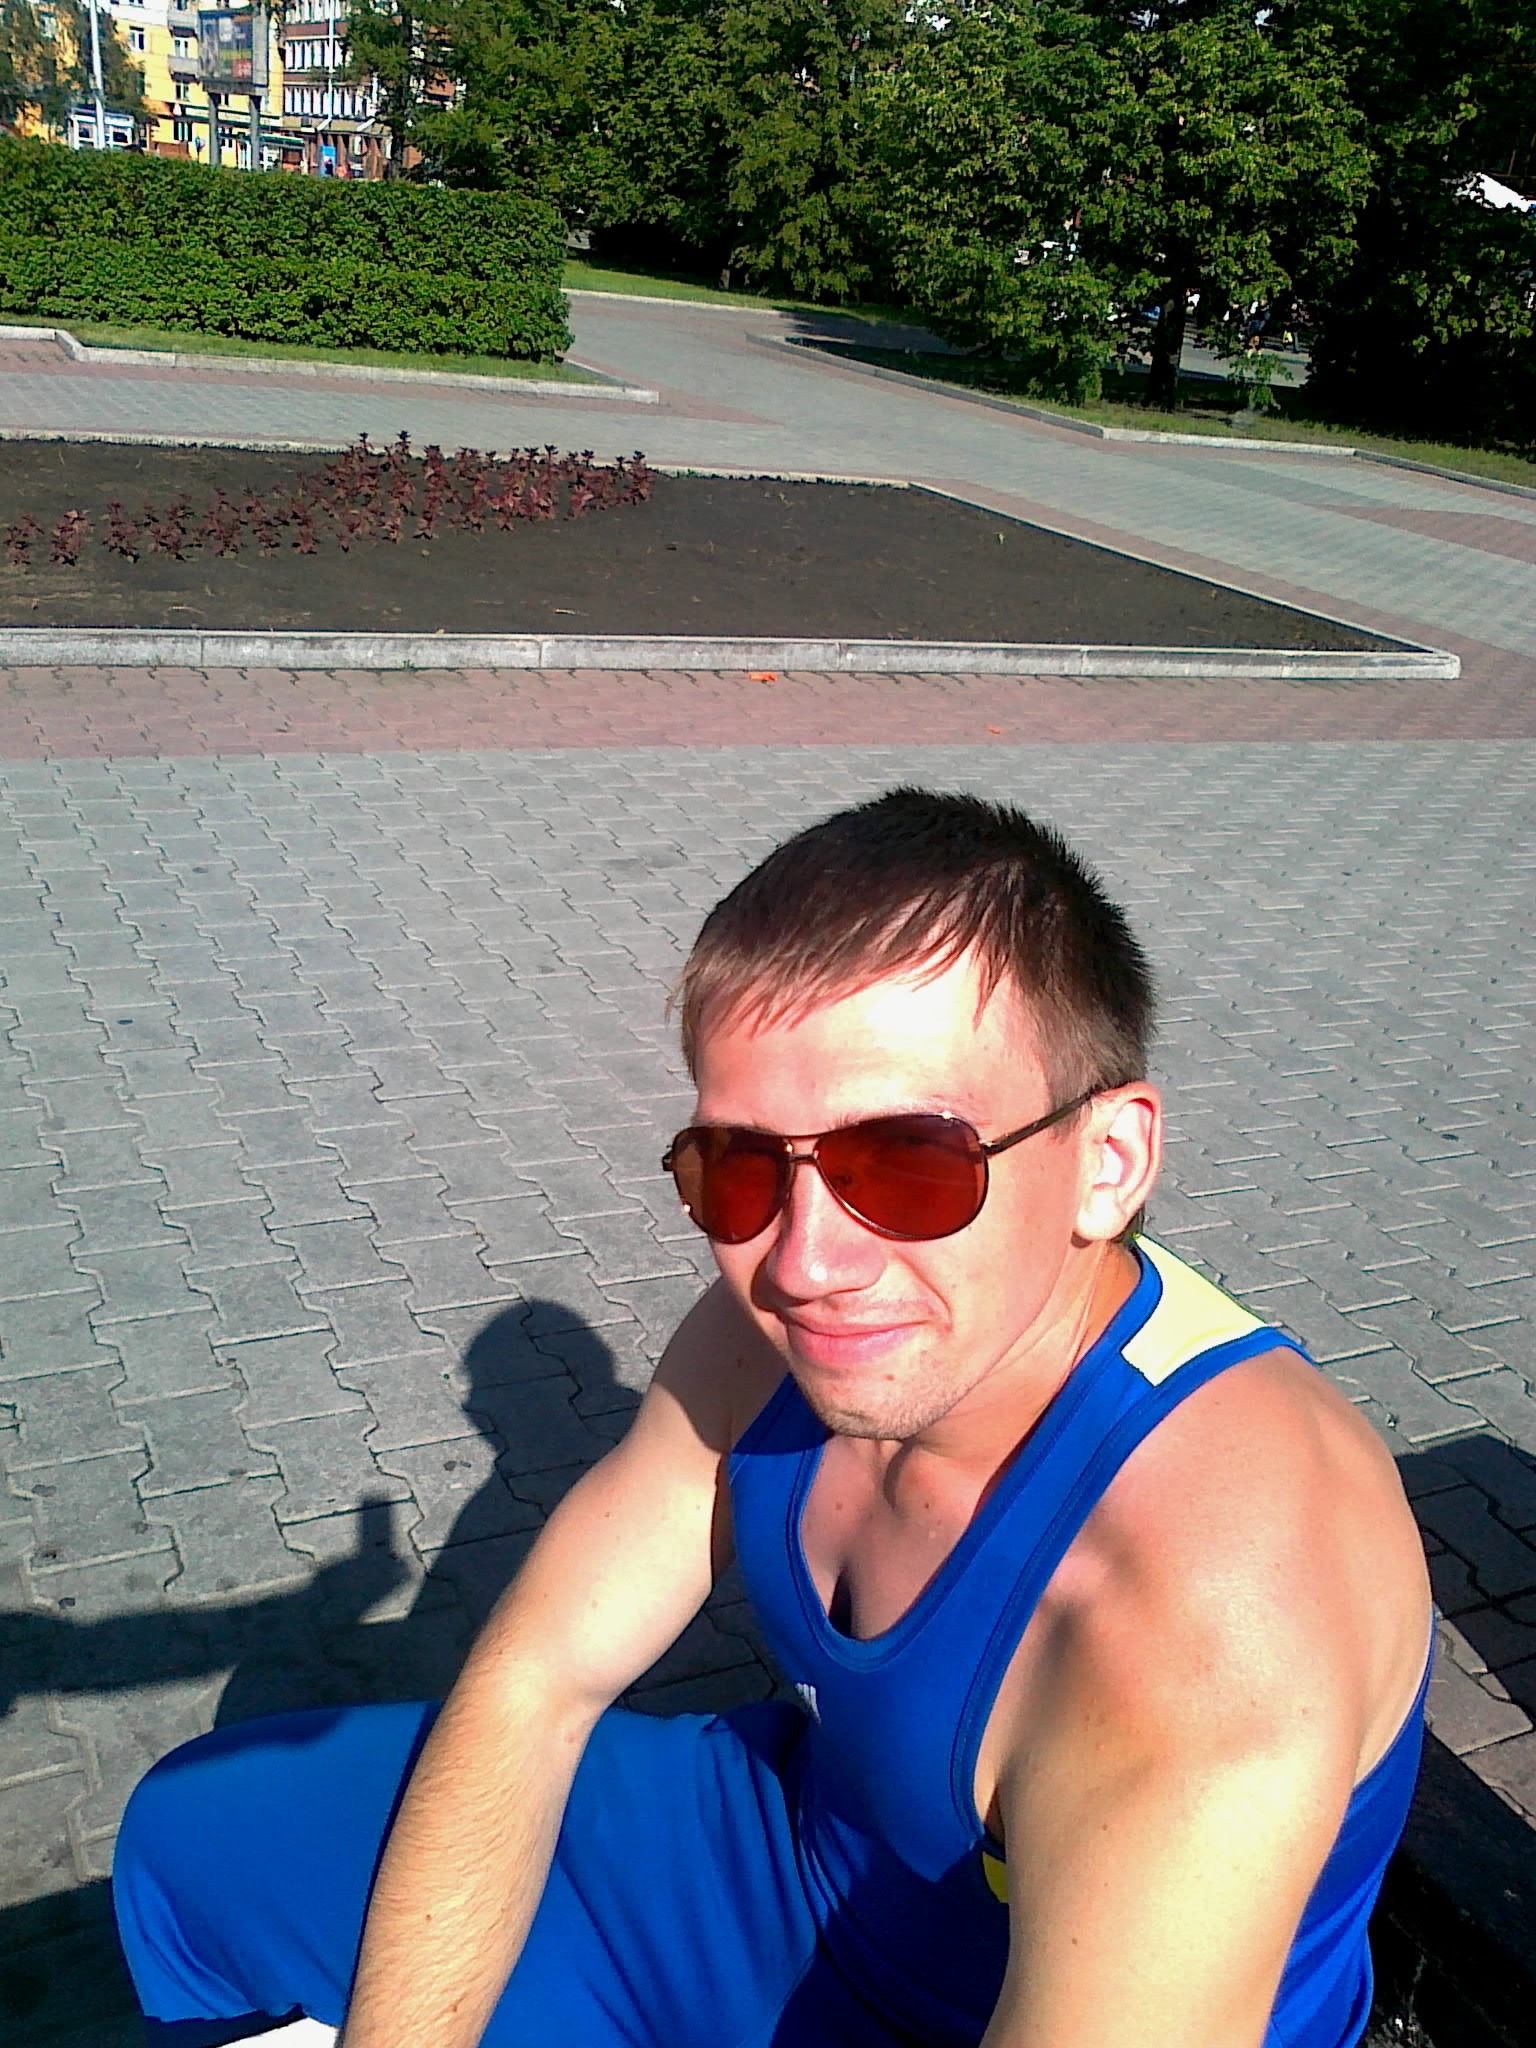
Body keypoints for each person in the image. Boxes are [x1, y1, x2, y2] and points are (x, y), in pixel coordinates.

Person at [113, 788, 1433, 2048]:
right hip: (793, 1854)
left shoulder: (1208, 1621)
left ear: (1108, 1163)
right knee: (196, 1836)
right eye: (738, 1168)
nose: (802, 1264)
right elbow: (538, 1679)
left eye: (907, 1163)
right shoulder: (780, 1335)